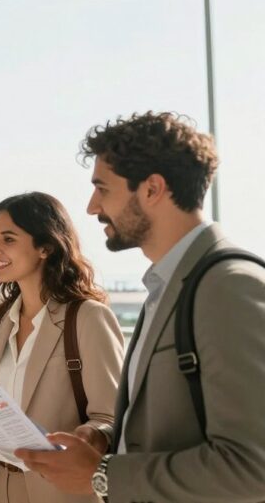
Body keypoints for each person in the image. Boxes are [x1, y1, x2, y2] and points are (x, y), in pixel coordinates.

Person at [16, 111, 265, 502]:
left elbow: (252, 469)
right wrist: (105, 437)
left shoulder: (228, 286)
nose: (92, 207)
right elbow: (175, 424)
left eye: (103, 188)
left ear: (152, 189)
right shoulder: (166, 286)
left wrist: (103, 476)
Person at [0, 192, 123, 503]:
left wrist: (88, 436)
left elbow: (113, 417)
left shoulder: (88, 318)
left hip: (60, 493)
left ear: (46, 247)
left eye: (8, 239)